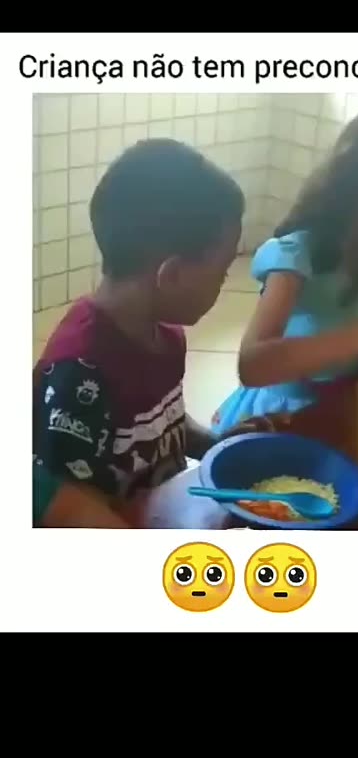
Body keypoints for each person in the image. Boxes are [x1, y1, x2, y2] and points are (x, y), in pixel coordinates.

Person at [33, 139, 244, 527]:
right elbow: (70, 512)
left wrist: (219, 446)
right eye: (223, 270)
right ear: (172, 275)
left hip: (162, 509)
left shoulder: (165, 335)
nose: (224, 281)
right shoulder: (79, 374)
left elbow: (159, 424)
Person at [212, 93, 358, 434]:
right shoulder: (296, 256)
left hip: (345, 403)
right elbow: (253, 365)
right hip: (286, 418)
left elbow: (353, 314)